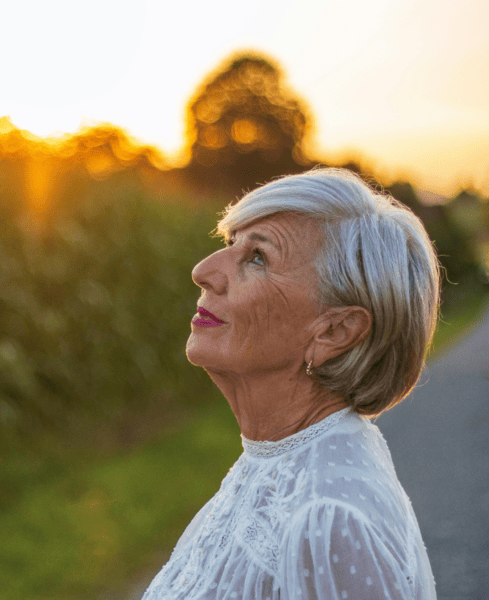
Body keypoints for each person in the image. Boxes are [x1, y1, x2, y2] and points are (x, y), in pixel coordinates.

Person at [141, 168, 438, 599]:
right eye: (230, 245)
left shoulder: (330, 519)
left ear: (334, 331)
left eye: (257, 258)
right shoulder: (275, 459)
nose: (204, 271)